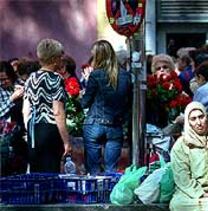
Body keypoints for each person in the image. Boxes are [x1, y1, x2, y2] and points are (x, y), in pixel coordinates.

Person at [81, 40, 132, 174]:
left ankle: (94, 195)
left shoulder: (96, 74)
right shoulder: (125, 75)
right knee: (111, 170)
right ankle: (109, 194)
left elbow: (85, 102)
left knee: (94, 171)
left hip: (94, 125)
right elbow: (129, 103)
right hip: (115, 126)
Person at [23, 38, 72, 172]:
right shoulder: (56, 79)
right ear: (55, 59)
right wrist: (66, 141)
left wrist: (28, 129)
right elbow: (57, 111)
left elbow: (25, 110)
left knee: (35, 173)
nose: (63, 58)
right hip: (50, 129)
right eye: (61, 55)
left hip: (33, 128)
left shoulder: (31, 78)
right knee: (50, 173)